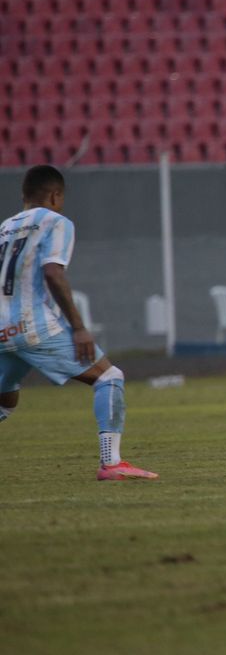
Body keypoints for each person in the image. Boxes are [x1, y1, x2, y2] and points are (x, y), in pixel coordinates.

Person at [0, 166, 158, 480]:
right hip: (33, 325)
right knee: (109, 377)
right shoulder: (57, 222)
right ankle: (111, 463)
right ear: (56, 196)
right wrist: (79, 327)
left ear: (24, 196)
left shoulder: (4, 228)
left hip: (1, 330)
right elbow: (53, 272)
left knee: (6, 399)